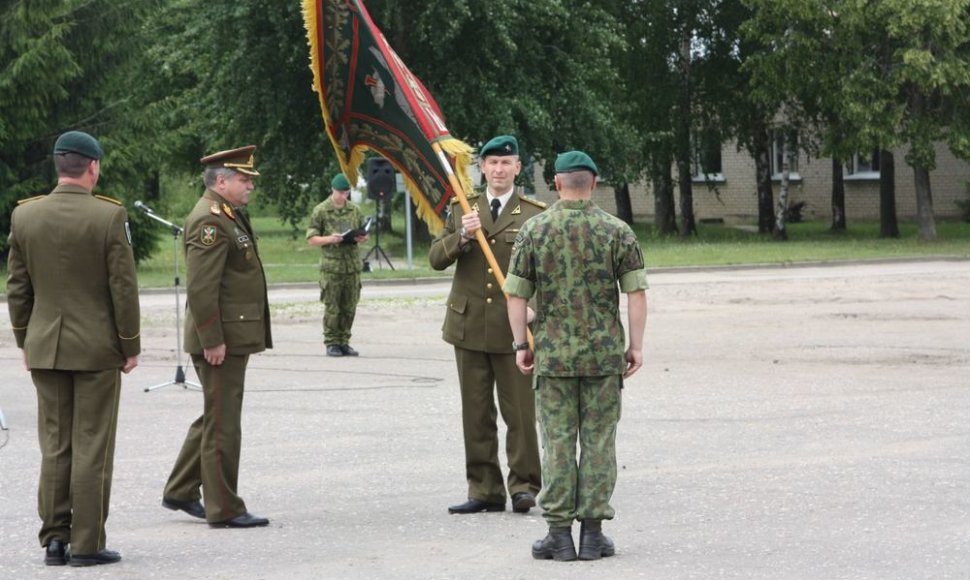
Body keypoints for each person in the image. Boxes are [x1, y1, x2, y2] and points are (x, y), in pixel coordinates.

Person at [503, 151, 648, 562]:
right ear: (594, 183)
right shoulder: (617, 231)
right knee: (600, 443)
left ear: (556, 183)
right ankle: (593, 535)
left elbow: (516, 295)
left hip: (554, 359)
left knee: (558, 444)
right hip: (603, 359)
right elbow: (636, 293)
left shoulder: (534, 230)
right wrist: (635, 346)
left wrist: (520, 344)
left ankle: (559, 535)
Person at [6, 131, 141, 567]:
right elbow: (123, 287)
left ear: (59, 166)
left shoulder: (25, 216)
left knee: (56, 445)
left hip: (45, 347)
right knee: (91, 445)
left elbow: (18, 288)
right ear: (93, 167)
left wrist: (26, 340)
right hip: (97, 349)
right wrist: (129, 345)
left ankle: (54, 540)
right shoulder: (108, 216)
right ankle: (86, 543)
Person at [429, 135, 544, 515]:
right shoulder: (464, 207)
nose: (498, 169)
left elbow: (549, 273)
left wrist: (535, 310)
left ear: (517, 168)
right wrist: (461, 235)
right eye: (491, 163)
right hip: (470, 326)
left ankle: (524, 486)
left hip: (514, 329)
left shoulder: (533, 214)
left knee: (521, 414)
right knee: (476, 412)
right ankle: (484, 488)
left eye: (505, 163)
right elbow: (435, 258)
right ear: (482, 168)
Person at [161, 145, 273, 528]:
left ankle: (180, 489)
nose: (250, 187)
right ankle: (224, 507)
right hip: (220, 338)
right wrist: (212, 340)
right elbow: (201, 288)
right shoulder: (209, 220)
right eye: (244, 180)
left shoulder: (227, 214)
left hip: (228, 333)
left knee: (216, 413)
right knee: (224, 422)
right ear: (221, 181)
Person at [306, 173, 369, 357]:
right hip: (332, 269)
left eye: (346, 192)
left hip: (352, 268)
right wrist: (330, 239)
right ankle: (332, 342)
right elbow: (311, 239)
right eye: (340, 192)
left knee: (349, 307)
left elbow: (364, 233)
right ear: (333, 190)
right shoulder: (321, 210)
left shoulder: (355, 210)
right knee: (333, 307)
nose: (343, 196)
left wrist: (362, 237)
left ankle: (344, 341)